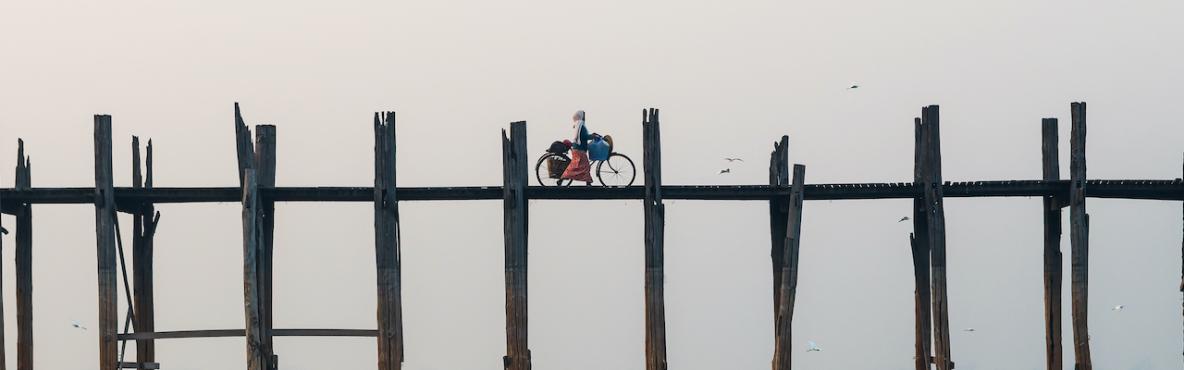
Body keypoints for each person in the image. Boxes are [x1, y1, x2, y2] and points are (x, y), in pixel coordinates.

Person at [562, 110, 594, 185]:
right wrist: (592, 136)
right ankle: (588, 182)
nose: (584, 118)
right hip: (579, 150)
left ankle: (562, 179)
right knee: (585, 166)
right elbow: (583, 136)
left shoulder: (578, 125)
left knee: (576, 166)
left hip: (577, 149)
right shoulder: (581, 126)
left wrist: (591, 136)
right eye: (584, 116)